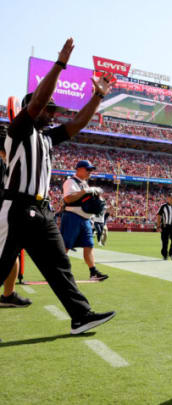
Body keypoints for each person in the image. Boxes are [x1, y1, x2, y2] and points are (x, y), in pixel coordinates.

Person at [0, 38, 115, 333]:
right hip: (16, 208)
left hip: (42, 211)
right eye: (47, 109)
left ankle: (81, 315)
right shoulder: (19, 130)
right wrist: (60, 65)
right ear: (30, 109)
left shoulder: (47, 138)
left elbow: (76, 124)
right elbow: (38, 101)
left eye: (53, 110)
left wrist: (97, 98)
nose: (52, 113)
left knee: (59, 266)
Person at [61, 160, 109, 281]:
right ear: (79, 169)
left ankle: (93, 272)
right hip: (72, 216)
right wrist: (85, 191)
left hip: (85, 219)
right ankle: (58, 272)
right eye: (88, 169)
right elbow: (68, 199)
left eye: (91, 170)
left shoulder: (85, 183)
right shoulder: (70, 181)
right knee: (65, 246)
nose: (90, 172)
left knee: (89, 245)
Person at [0, 133, 31, 307]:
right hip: (4, 214)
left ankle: (8, 294)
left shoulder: (10, 164)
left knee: (11, 254)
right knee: (10, 254)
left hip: (7, 216)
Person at [156, 192, 172, 260]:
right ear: (167, 198)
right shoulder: (163, 206)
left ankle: (171, 253)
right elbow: (159, 216)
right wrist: (158, 226)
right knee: (165, 241)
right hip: (165, 226)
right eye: (169, 198)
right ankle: (165, 255)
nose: (171, 199)